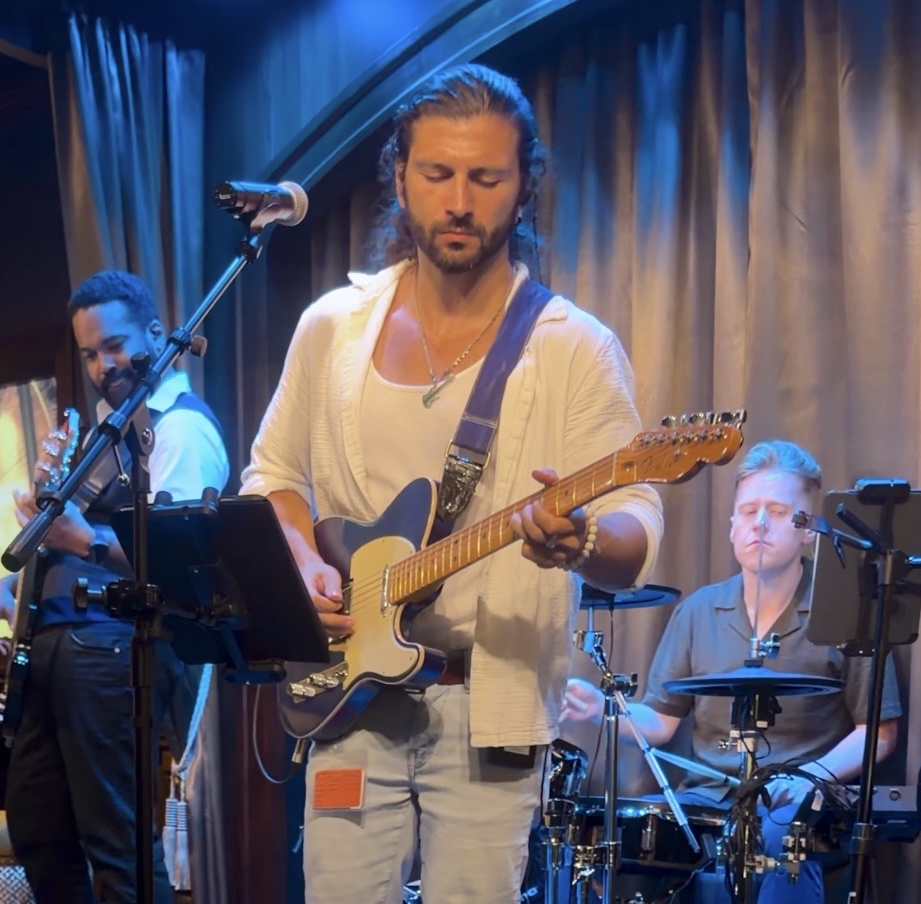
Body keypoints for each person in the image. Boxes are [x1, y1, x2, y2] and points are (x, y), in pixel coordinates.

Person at [240, 64, 664, 904]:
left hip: (486, 704)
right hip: (348, 694)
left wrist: (583, 541)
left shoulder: (572, 346)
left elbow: (636, 525)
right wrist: (303, 564)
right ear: (400, 176)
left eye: (486, 178)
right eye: (437, 174)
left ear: (525, 185)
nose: (460, 201)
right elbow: (274, 474)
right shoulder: (331, 328)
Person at [0, 269, 230, 903]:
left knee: (118, 846)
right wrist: (12, 581)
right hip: (56, 649)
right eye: (89, 353)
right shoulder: (108, 432)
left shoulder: (180, 429)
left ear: (156, 334)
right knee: (38, 834)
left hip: (116, 651)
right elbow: (65, 529)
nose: (102, 366)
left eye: (114, 346)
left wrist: (81, 541)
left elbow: (179, 562)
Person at [562, 439, 902, 903]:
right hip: (708, 797)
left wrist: (809, 777)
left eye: (778, 511)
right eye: (748, 511)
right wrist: (599, 708)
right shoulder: (698, 610)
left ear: (808, 530)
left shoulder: (846, 613)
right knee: (623, 834)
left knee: (781, 835)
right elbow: (660, 722)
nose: (759, 523)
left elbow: (879, 734)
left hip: (799, 800)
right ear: (732, 527)